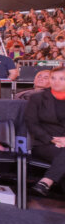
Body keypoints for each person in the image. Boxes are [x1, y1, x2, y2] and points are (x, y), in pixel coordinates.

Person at [24, 67, 65, 196]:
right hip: (43, 143)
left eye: (61, 78)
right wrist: (52, 139)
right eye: (53, 78)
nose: (56, 81)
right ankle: (47, 181)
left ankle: (46, 182)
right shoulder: (37, 98)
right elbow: (31, 123)